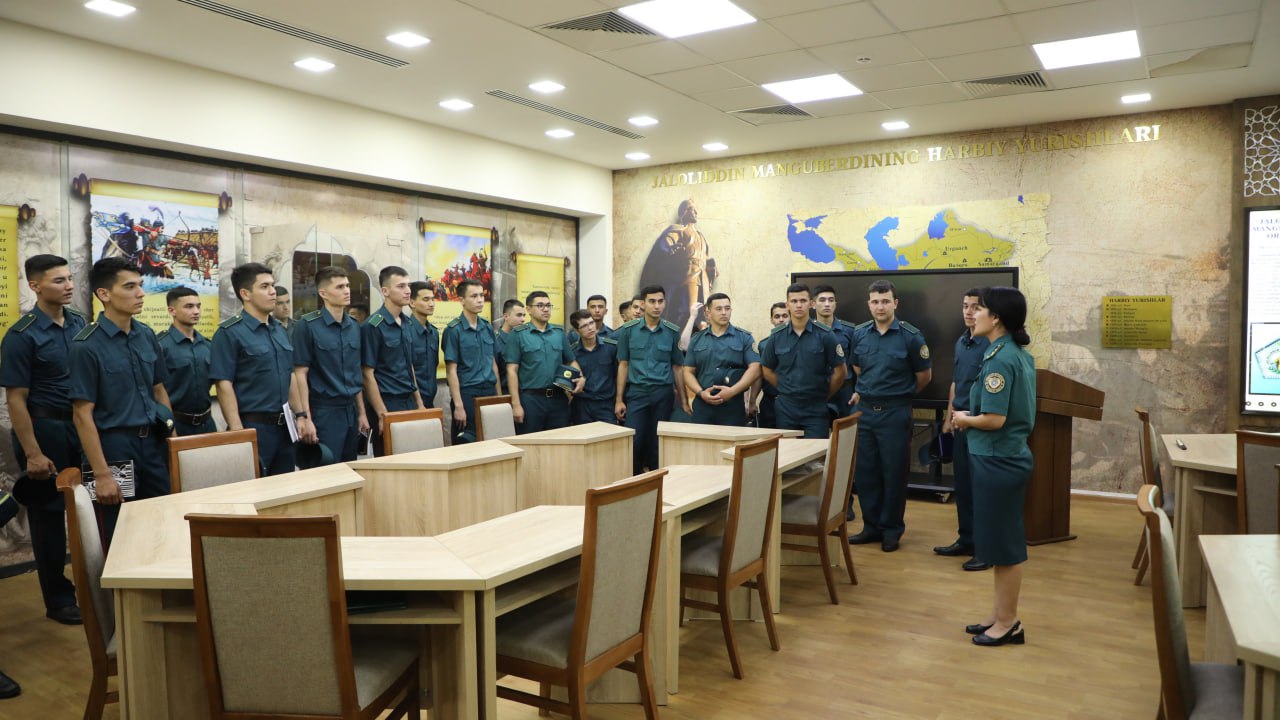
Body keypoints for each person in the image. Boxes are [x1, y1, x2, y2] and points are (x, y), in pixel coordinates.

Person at [0, 254, 85, 625]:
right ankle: (59, 599)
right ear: (35, 286)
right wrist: (33, 453)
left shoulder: (80, 323)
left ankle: (95, 587)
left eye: (69, 278)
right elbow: (16, 400)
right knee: (48, 517)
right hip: (46, 429)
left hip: (83, 426)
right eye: (58, 280)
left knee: (93, 510)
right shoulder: (22, 336)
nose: (68, 286)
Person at [70, 257, 174, 548]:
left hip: (152, 444)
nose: (140, 293)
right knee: (117, 534)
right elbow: (82, 415)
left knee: (161, 525)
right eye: (130, 287)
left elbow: (159, 390)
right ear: (104, 294)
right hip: (113, 449)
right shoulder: (85, 345)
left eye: (140, 285)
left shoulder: (146, 335)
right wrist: (102, 474)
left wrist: (172, 438)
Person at [952, 286, 1036, 647]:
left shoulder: (1000, 360)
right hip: (1000, 457)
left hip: (999, 459)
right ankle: (998, 614)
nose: (974, 314)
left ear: (996, 317)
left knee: (1004, 547)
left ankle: (1008, 623)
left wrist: (964, 419)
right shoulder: (1008, 352)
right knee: (997, 543)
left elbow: (994, 419)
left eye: (981, 309)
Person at [847, 280, 931, 553]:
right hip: (865, 413)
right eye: (875, 301)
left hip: (895, 413)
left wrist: (899, 395)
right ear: (868, 304)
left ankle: (891, 530)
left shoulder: (911, 336)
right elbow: (858, 369)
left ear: (895, 303)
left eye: (885, 301)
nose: (880, 306)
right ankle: (871, 527)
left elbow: (924, 376)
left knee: (894, 474)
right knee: (866, 474)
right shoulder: (859, 334)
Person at [211, 262, 309, 476]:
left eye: (272, 285)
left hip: (285, 427)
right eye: (264, 287)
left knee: (284, 487)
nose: (273, 291)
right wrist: (237, 430)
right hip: (253, 425)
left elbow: (289, 375)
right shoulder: (229, 333)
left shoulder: (278, 329)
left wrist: (301, 415)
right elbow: (223, 384)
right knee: (253, 487)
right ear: (245, 294)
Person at [935, 289, 993, 572]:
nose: (969, 312)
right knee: (963, 486)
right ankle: (966, 539)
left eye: (975, 307)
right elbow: (956, 383)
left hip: (981, 425)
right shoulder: (961, 341)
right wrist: (948, 417)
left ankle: (986, 549)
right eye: (965, 306)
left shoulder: (991, 343)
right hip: (959, 423)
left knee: (981, 489)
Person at [292, 266, 367, 463]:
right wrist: (305, 417)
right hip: (324, 410)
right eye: (340, 287)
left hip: (350, 409)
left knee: (350, 467)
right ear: (323, 293)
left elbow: (355, 372)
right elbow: (300, 374)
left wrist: (362, 413)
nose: (347, 291)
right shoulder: (307, 326)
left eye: (347, 286)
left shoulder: (354, 326)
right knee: (327, 468)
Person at [614, 285, 685, 473]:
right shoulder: (628, 330)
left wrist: (685, 400)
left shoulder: (671, 331)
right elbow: (623, 365)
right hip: (637, 393)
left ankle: (658, 482)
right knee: (634, 441)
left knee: (657, 444)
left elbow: (678, 367)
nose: (657, 306)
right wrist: (619, 399)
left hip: (663, 394)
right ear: (643, 304)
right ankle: (636, 482)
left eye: (660, 301)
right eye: (652, 301)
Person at [761, 284, 845, 439]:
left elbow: (840, 372)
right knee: (787, 451)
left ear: (811, 304)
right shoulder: (776, 336)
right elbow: (766, 369)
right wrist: (785, 388)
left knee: (816, 451)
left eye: (803, 301)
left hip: (816, 408)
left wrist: (824, 395)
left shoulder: (826, 335)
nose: (798, 305)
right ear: (787, 305)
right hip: (786, 407)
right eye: (794, 301)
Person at [362, 266, 425, 456]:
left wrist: (419, 403)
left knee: (414, 456)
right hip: (388, 401)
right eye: (401, 286)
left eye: (408, 285)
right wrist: (382, 413)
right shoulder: (374, 325)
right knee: (390, 460)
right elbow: (367, 374)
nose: (408, 291)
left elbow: (409, 366)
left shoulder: (407, 323)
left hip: (408, 399)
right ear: (385, 291)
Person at [505, 291, 582, 432]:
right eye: (540, 305)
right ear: (529, 309)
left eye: (548, 305)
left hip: (558, 399)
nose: (545, 309)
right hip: (531, 399)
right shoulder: (518, 334)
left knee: (560, 440)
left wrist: (581, 378)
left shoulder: (558, 333)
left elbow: (571, 361)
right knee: (531, 441)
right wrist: (516, 404)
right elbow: (512, 370)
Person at [681, 293, 760, 426]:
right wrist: (701, 393)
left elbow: (756, 368)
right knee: (700, 439)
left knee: (733, 440)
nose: (724, 312)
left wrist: (732, 391)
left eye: (727, 308)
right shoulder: (696, 339)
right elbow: (687, 372)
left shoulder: (744, 338)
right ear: (708, 313)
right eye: (719, 309)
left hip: (733, 405)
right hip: (703, 405)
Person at [639, 199, 715, 329]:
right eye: (691, 209)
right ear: (683, 212)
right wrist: (670, 249)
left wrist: (711, 267)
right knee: (686, 312)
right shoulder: (677, 229)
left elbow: (705, 257)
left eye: (695, 209)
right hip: (688, 276)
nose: (695, 212)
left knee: (703, 317)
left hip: (703, 280)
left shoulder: (701, 236)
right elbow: (664, 245)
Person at [442, 278, 500, 443]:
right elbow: (451, 370)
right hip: (467, 394)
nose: (480, 300)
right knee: (467, 443)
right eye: (474, 296)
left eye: (482, 295)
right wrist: (458, 405)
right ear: (462, 300)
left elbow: (493, 363)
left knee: (492, 442)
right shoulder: (454, 330)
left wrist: (499, 397)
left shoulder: (487, 327)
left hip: (489, 392)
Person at [156, 287, 216, 436]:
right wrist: (170, 429)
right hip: (175, 425)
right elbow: (155, 391)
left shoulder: (207, 345)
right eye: (189, 306)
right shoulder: (160, 346)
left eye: (198, 306)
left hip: (207, 424)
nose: (196, 311)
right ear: (172, 311)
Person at [813, 285, 858, 420]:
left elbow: (858, 364)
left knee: (845, 431)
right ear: (813, 304)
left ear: (835, 304)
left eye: (831, 300)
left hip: (845, 392)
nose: (827, 304)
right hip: (817, 391)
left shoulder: (850, 331)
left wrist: (859, 391)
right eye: (822, 300)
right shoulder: (807, 331)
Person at [568, 309, 618, 425]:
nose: (590, 328)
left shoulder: (611, 347)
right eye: (584, 326)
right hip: (582, 405)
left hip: (606, 404)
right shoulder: (572, 352)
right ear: (577, 331)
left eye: (591, 323)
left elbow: (618, 375)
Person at [751, 302, 788, 428]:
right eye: (777, 316)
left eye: (785, 316)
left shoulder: (800, 342)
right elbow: (759, 375)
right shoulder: (763, 345)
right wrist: (752, 400)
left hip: (791, 401)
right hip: (769, 402)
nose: (781, 320)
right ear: (771, 320)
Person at [408, 280, 440, 408]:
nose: (431, 304)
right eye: (426, 299)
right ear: (412, 303)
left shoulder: (434, 333)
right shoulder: (405, 331)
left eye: (432, 299)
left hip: (430, 400)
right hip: (410, 401)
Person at [495, 299, 525, 394]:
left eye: (524, 315)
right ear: (506, 316)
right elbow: (494, 373)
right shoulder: (496, 341)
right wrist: (499, 397)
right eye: (519, 315)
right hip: (505, 393)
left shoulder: (524, 339)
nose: (523, 319)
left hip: (526, 394)